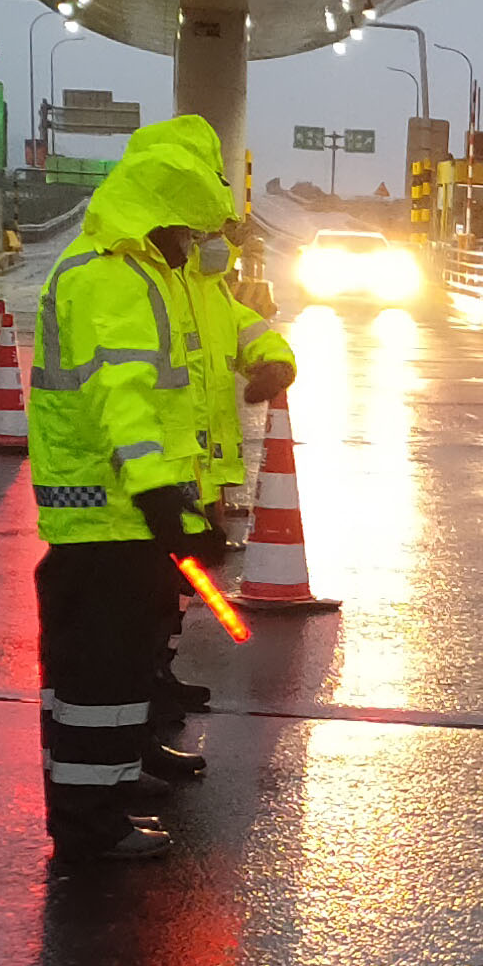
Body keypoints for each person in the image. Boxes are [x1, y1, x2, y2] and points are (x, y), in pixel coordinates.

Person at [28, 114, 240, 862]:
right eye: (188, 228)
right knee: (99, 684)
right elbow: (124, 398)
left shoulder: (128, 272)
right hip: (110, 520)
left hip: (114, 521)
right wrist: (160, 499)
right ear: (159, 218)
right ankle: (90, 828)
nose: (194, 242)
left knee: (100, 683)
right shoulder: (112, 278)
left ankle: (97, 806)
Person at [153, 217, 295, 738]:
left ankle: (159, 674)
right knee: (153, 586)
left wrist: (275, 362)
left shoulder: (209, 292)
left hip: (197, 469)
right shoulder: (155, 284)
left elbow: (248, 331)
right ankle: (145, 686)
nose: (219, 244)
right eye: (207, 232)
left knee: (178, 588)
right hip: (159, 467)